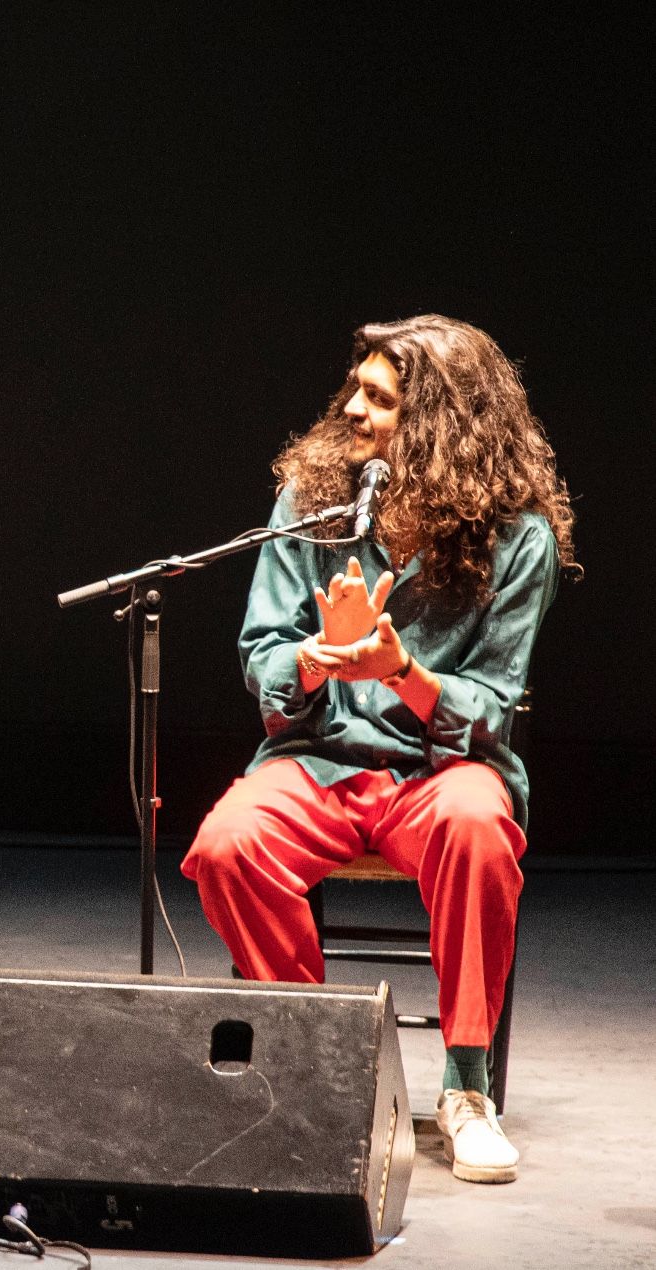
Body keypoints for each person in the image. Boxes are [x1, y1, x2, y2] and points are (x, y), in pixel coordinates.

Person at [181, 315, 575, 1184]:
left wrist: (401, 670)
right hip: (320, 758)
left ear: (440, 425)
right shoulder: (311, 502)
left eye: (380, 398)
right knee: (226, 845)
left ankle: (467, 1090)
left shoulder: (520, 541)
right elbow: (263, 657)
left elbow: (490, 709)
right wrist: (312, 662)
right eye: (355, 388)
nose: (352, 408)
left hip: (440, 772)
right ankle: (313, 1066)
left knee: (479, 829)